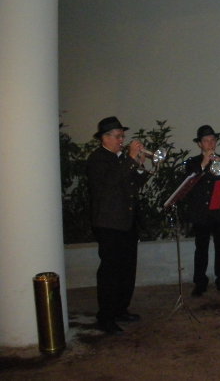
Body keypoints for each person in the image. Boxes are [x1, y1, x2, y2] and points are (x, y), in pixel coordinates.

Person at [87, 116, 150, 334]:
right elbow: (111, 183)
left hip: (127, 222)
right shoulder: (97, 159)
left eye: (122, 136)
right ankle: (106, 316)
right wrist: (130, 158)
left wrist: (140, 163)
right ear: (104, 138)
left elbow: (135, 183)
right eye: (117, 136)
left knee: (127, 270)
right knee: (110, 272)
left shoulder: (121, 158)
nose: (121, 140)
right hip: (108, 223)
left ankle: (121, 309)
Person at [185, 125, 220, 296]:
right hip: (201, 213)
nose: (210, 143)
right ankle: (200, 283)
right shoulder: (192, 162)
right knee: (201, 249)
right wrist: (203, 164)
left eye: (212, 140)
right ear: (200, 144)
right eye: (206, 140)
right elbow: (188, 183)